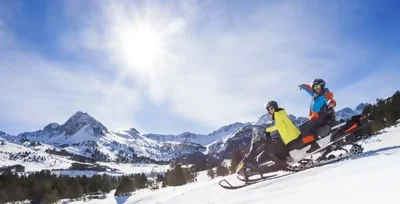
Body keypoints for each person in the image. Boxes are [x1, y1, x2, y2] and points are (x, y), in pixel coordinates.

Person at [299, 78, 336, 153]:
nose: (317, 89)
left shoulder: (325, 94)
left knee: (304, 127)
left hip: (322, 116)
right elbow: (308, 89)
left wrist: (331, 103)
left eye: (318, 87)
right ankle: (318, 143)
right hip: (316, 117)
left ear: (322, 86)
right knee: (307, 128)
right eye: (315, 87)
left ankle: (313, 146)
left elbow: (329, 99)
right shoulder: (315, 95)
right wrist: (302, 86)